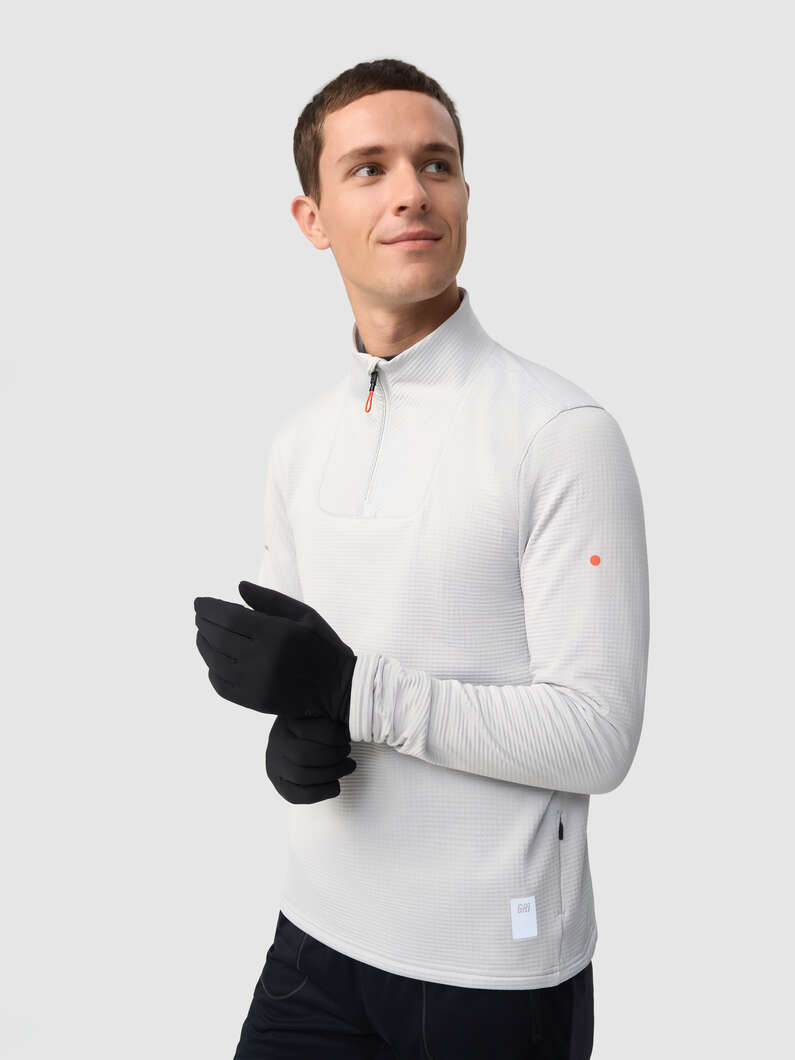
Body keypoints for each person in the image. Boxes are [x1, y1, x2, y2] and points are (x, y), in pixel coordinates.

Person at [194, 57, 649, 1059]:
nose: (411, 191)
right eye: (369, 168)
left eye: (435, 163)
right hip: (314, 937)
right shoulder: (301, 441)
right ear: (312, 218)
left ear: (465, 197)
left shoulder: (561, 434)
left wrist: (354, 692)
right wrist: (294, 737)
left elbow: (598, 736)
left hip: (491, 972)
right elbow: (313, 678)